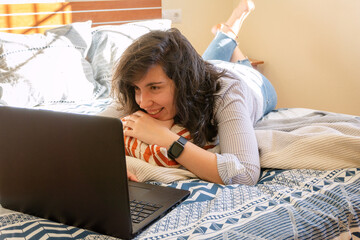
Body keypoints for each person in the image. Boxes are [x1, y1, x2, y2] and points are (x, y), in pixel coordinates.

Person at [99, 0, 277, 185]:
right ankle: (226, 36)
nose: (143, 103)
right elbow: (88, 130)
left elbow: (245, 175)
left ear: (184, 83)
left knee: (241, 68)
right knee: (206, 61)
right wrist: (114, 165)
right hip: (208, 67)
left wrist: (166, 138)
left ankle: (231, 33)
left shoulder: (227, 92)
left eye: (154, 88)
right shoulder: (143, 80)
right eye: (137, 88)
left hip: (253, 83)